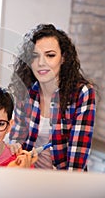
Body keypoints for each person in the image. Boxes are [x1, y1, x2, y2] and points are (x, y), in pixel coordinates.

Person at [8, 24, 96, 171]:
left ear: (63, 58)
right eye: (35, 56)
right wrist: (14, 145)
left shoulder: (82, 92)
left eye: (50, 55)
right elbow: (17, 139)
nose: (41, 63)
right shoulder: (25, 91)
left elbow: (77, 158)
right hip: (28, 176)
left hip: (63, 181)